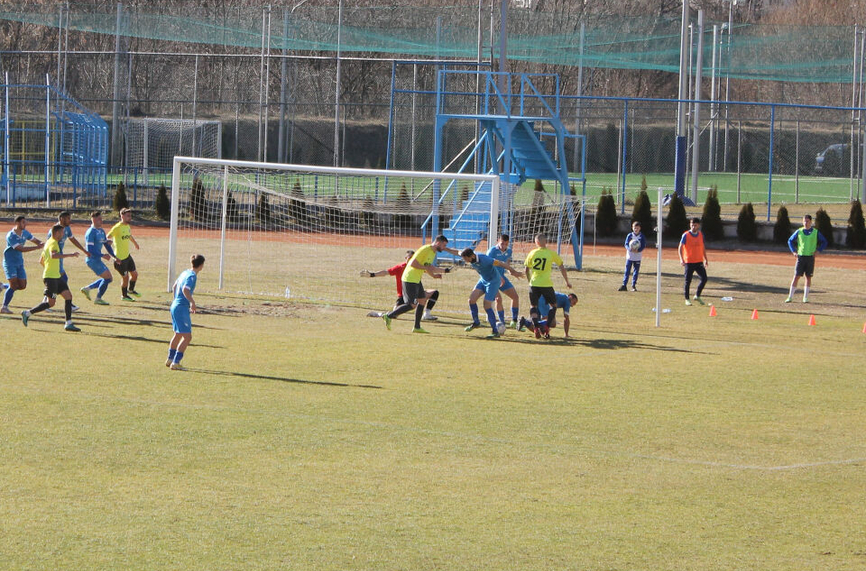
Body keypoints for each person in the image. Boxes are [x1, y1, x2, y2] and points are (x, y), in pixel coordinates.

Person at [382, 234, 458, 334]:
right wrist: (427, 269)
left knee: (422, 301)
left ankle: (417, 327)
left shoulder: (433, 252)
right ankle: (389, 316)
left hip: (416, 279)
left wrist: (445, 271)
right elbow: (413, 264)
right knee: (412, 305)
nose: (444, 248)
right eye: (444, 245)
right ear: (438, 243)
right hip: (409, 278)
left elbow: (429, 267)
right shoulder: (426, 249)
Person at [21, 224, 81, 331]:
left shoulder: (48, 242)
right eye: (62, 232)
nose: (63, 235)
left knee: (68, 296)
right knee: (51, 303)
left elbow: (41, 260)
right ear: (57, 233)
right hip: (51, 278)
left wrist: (50, 269)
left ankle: (68, 323)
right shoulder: (53, 243)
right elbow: (53, 255)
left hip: (56, 276)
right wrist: (70, 255)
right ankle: (27, 313)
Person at [460, 247, 523, 339]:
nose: (465, 261)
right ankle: (476, 322)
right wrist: (446, 249)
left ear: (472, 256)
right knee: (471, 300)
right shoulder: (470, 257)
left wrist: (513, 271)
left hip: (493, 282)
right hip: (483, 280)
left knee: (487, 305)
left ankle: (495, 331)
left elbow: (501, 263)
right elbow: (457, 251)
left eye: (466, 259)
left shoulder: (485, 259)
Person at [362, 249, 439, 320]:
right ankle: (379, 314)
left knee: (434, 292)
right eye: (409, 258)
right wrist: (372, 274)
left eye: (412, 258)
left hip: (415, 293)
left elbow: (429, 269)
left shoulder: (417, 267)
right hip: (403, 296)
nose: (410, 259)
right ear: (405, 258)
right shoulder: (400, 267)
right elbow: (386, 272)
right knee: (394, 315)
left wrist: (442, 271)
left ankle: (427, 314)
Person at [524, 233, 572, 339]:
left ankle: (536, 327)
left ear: (536, 243)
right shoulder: (551, 253)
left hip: (534, 284)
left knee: (533, 307)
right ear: (545, 242)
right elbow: (562, 267)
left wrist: (529, 281)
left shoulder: (532, 253)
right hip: (546, 284)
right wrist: (567, 281)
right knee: (553, 305)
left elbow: (526, 270)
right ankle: (546, 326)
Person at [167, 254, 205, 371]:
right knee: (187, 337)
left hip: (175, 305)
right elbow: (185, 289)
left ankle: (169, 359)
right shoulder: (192, 276)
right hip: (181, 307)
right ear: (202, 265)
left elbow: (174, 286)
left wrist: (175, 300)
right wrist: (192, 302)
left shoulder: (185, 272)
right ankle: (176, 362)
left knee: (178, 334)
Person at [2, 216, 43, 313]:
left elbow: (36, 240)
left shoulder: (25, 233)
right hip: (10, 263)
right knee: (13, 285)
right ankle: (4, 307)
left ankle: (3, 286)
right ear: (17, 223)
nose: (26, 224)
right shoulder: (11, 236)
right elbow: (21, 249)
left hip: (19, 262)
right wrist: (37, 248)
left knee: (22, 285)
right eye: (23, 222)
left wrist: (43, 243)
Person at [50, 211, 89, 313]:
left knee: (60, 280)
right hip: (54, 258)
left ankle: (48, 301)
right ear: (61, 218)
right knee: (60, 279)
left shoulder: (67, 229)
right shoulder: (54, 230)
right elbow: (49, 246)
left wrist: (84, 250)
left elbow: (73, 239)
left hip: (60, 257)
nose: (69, 220)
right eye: (68, 218)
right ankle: (50, 302)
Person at [785, 214, 828, 303]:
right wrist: (794, 251)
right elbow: (790, 241)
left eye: (807, 221)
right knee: (796, 276)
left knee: (808, 277)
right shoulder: (799, 231)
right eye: (804, 221)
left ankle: (805, 297)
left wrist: (818, 250)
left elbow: (824, 241)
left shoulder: (815, 232)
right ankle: (790, 296)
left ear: (811, 222)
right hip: (801, 257)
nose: (805, 223)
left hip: (810, 257)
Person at [79, 211, 117, 305]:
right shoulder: (90, 232)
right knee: (108, 278)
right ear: (94, 220)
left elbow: (106, 245)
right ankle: (98, 298)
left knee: (108, 278)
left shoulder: (101, 231)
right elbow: (90, 249)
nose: (102, 220)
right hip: (92, 260)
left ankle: (87, 289)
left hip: (97, 260)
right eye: (99, 219)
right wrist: (102, 255)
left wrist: (114, 256)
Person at [107, 207, 142, 301]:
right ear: (122, 216)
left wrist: (135, 243)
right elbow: (107, 237)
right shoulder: (117, 227)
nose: (129, 218)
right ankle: (124, 296)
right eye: (127, 216)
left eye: (130, 216)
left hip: (127, 256)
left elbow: (129, 235)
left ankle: (131, 290)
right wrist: (109, 243)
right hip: (119, 259)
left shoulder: (127, 226)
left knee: (134, 274)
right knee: (125, 278)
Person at [487, 233, 520, 328]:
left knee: (515, 297)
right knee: (498, 299)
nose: (503, 246)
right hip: (491, 279)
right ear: (498, 241)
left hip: (502, 278)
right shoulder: (492, 251)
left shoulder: (509, 251)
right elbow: (487, 266)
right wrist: (497, 276)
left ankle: (514, 321)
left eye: (506, 244)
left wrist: (511, 271)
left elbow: (507, 262)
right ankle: (502, 323)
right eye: (502, 244)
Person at [678, 217, 709, 306]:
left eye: (695, 225)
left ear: (698, 225)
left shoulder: (700, 235)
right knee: (688, 281)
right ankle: (687, 299)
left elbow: (702, 248)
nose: (693, 227)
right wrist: (681, 258)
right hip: (689, 261)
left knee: (704, 278)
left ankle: (697, 295)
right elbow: (680, 247)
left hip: (699, 261)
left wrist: (706, 259)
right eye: (692, 225)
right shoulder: (686, 235)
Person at [619, 220, 646, 292]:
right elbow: (626, 244)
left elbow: (643, 245)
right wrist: (629, 249)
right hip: (630, 256)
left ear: (640, 228)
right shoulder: (630, 235)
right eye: (634, 228)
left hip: (637, 257)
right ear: (632, 228)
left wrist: (638, 250)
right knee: (627, 271)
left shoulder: (642, 236)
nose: (636, 229)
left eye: (637, 228)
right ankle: (624, 285)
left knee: (636, 271)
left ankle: (633, 285)